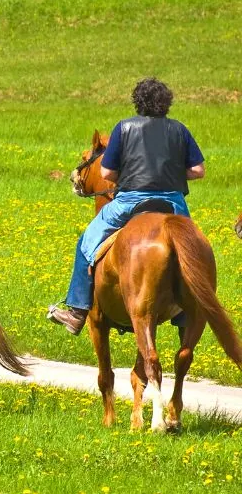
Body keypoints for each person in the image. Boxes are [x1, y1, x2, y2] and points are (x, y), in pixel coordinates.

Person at [48, 78, 206, 335]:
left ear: (138, 102)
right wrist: (173, 172)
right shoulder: (180, 130)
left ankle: (76, 311)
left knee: (86, 242)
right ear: (166, 103)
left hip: (130, 201)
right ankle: (189, 310)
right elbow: (198, 171)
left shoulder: (124, 128)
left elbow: (108, 173)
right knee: (194, 252)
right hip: (172, 203)